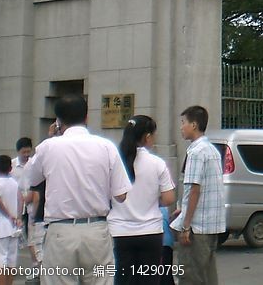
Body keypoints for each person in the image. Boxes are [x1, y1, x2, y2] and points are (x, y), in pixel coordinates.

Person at [24, 94, 132, 285]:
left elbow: (31, 178)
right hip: (96, 229)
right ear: (86, 117)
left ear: (58, 121)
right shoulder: (106, 146)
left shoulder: (48, 147)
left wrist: (50, 139)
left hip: (61, 232)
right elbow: (121, 195)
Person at [109, 116, 176, 285]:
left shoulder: (113, 162)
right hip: (150, 232)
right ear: (147, 137)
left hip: (119, 232)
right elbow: (169, 198)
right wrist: (152, 199)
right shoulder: (157, 163)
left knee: (123, 279)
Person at [170, 105, 225, 285]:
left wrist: (186, 225)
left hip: (197, 226)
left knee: (190, 276)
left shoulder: (196, 152)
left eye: (183, 123)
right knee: (208, 276)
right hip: (211, 225)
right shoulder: (212, 150)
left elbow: (195, 189)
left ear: (194, 125)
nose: (181, 127)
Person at [0, 155, 22, 285]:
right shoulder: (14, 183)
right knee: (12, 259)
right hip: (14, 226)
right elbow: (20, 199)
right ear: (10, 168)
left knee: (0, 260)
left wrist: (8, 215)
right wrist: (18, 217)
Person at [12, 137, 37, 276]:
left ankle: (35, 266)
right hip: (18, 206)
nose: (27, 154)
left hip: (32, 205)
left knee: (32, 238)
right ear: (18, 151)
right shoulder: (12, 166)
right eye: (24, 152)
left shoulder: (34, 164)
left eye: (29, 151)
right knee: (20, 237)